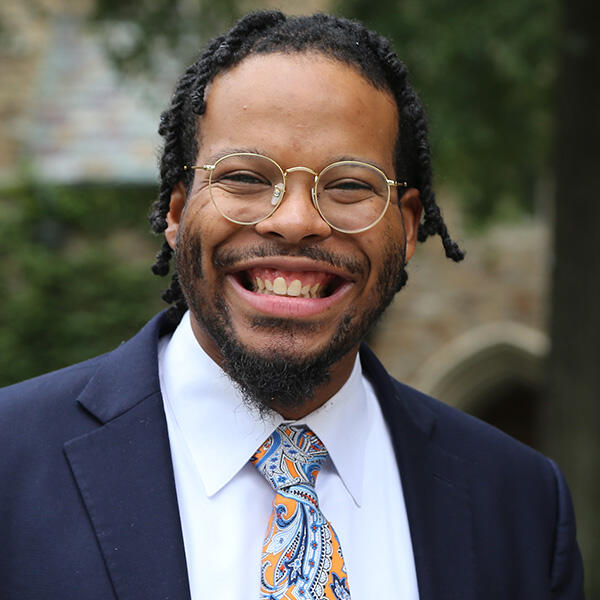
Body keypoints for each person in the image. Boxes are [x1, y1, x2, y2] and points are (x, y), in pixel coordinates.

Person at [0, 11, 584, 600]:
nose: (296, 221)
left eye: (349, 185)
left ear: (407, 228)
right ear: (176, 212)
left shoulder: (521, 504)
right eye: (246, 177)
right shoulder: (12, 463)